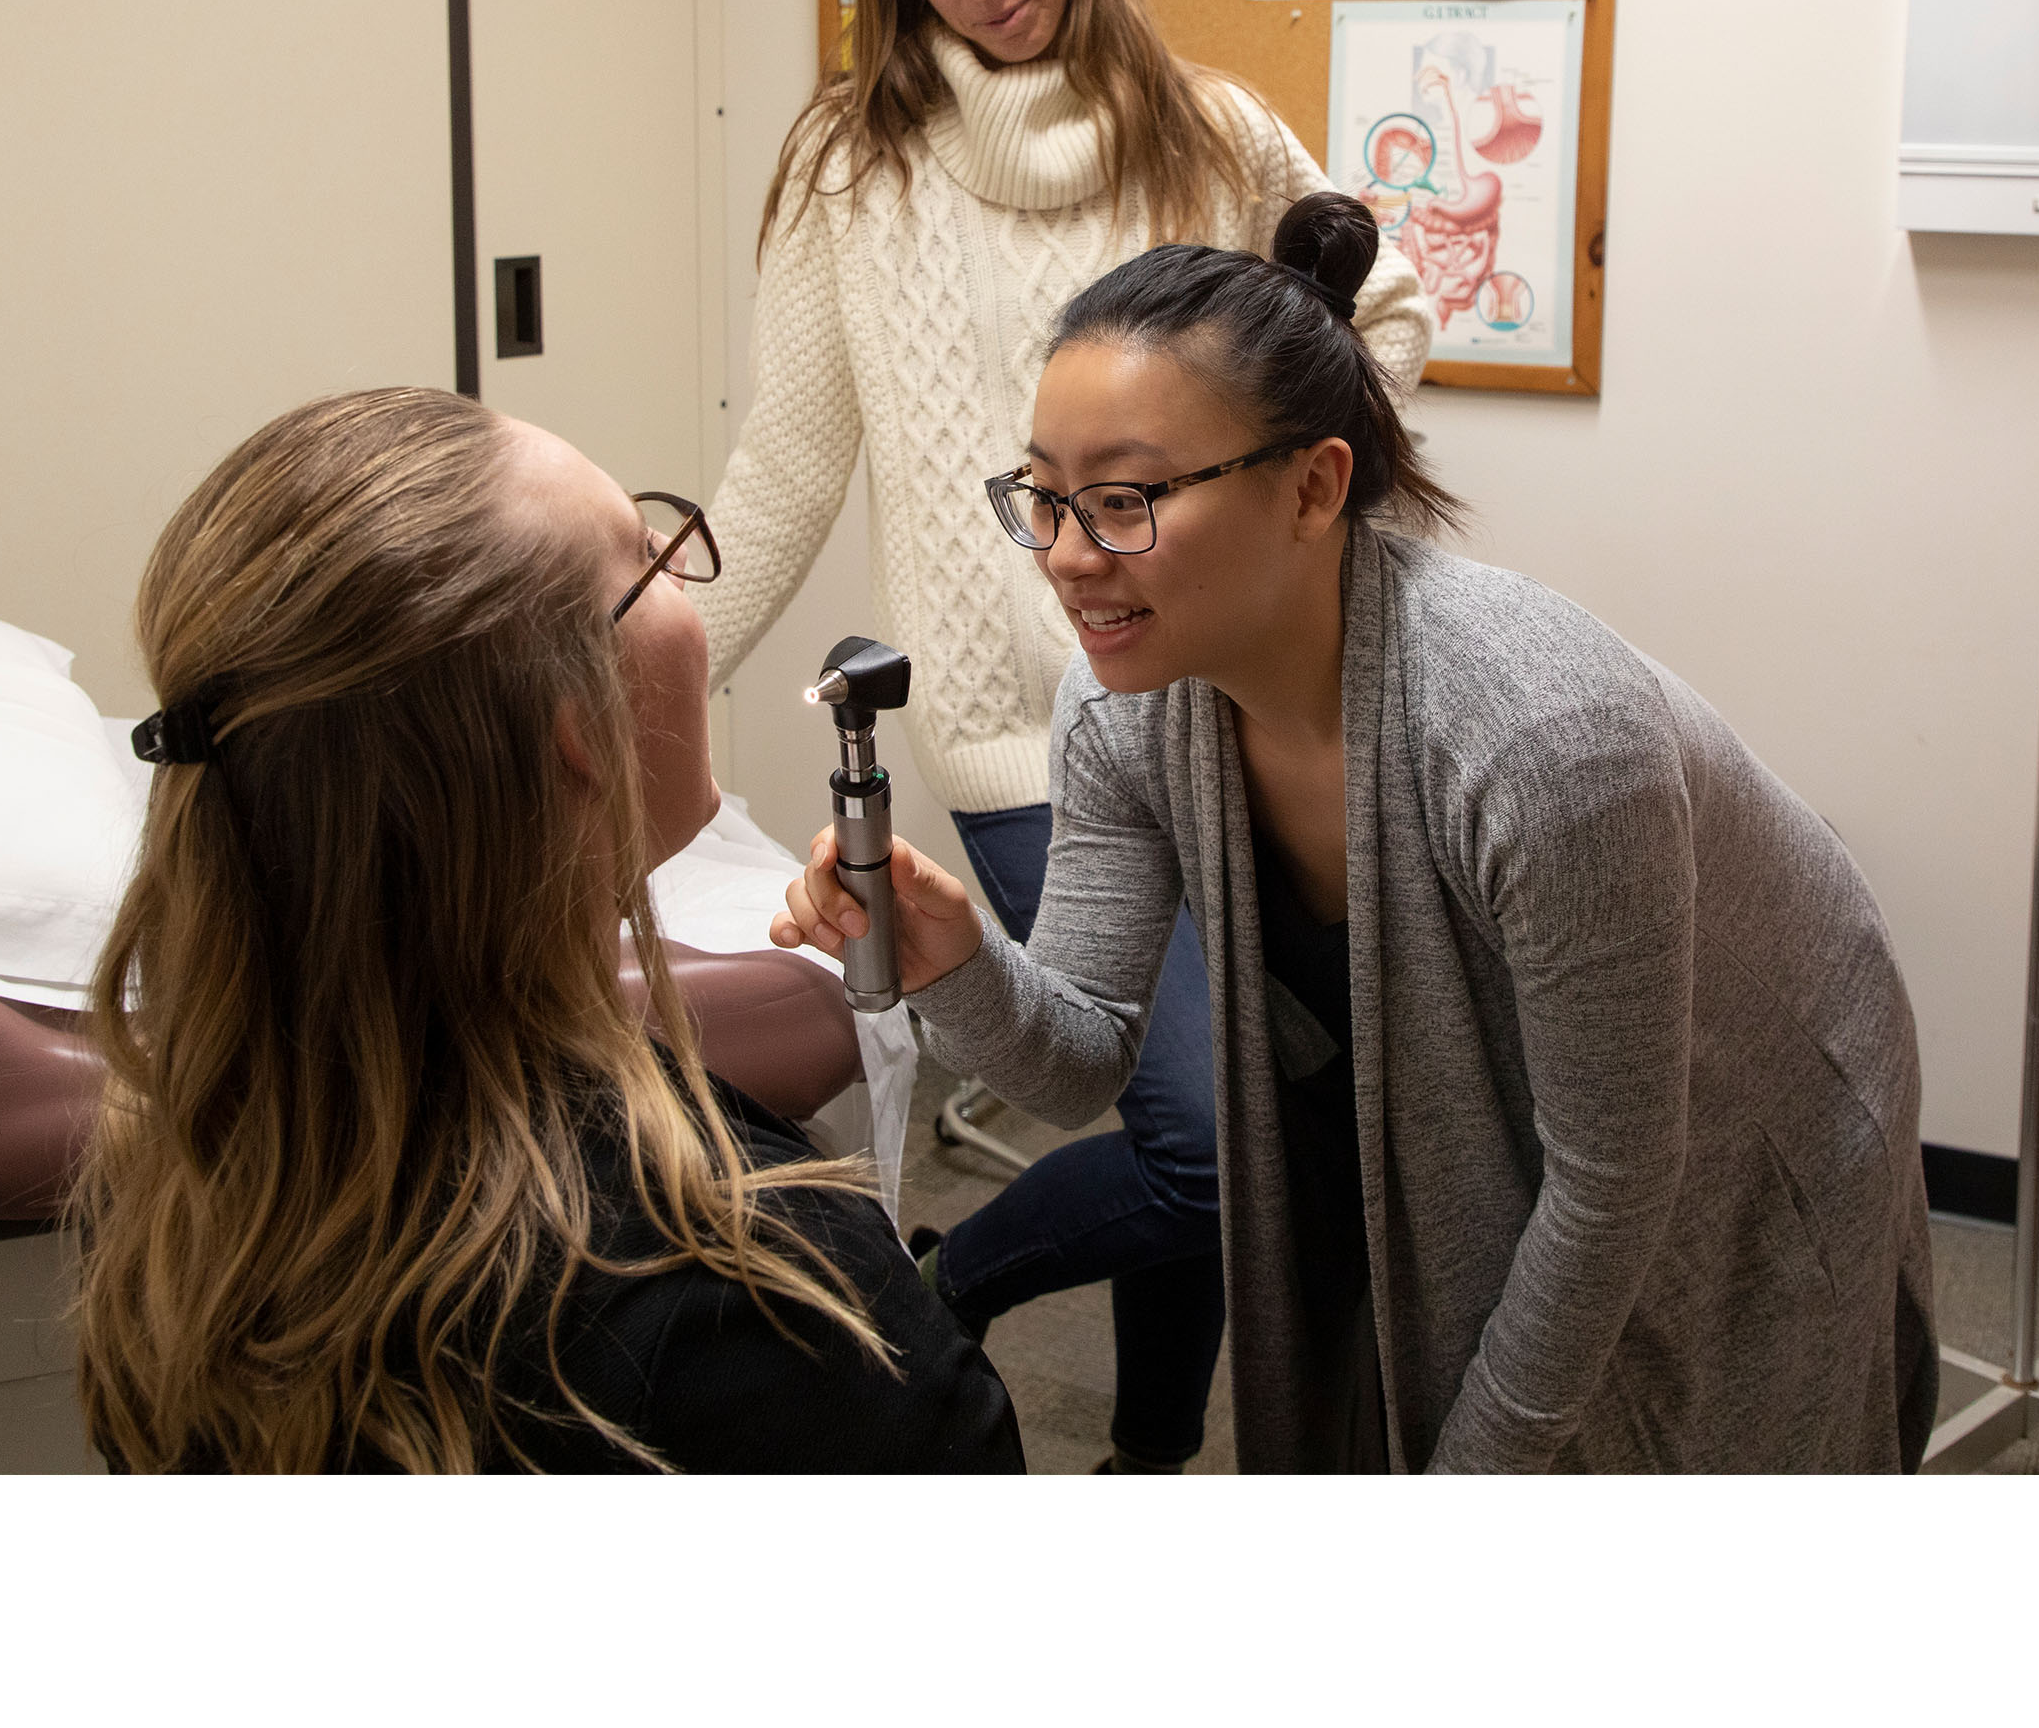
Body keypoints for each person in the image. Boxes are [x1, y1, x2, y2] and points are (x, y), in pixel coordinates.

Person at [775, 195, 1939, 1473]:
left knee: (1697, 1423)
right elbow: (1077, 1062)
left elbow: (1610, 1189)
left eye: (1123, 500)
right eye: (1043, 498)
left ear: (1314, 487)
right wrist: (956, 960)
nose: (1067, 557)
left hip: (1754, 1089)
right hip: (1596, 1132)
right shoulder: (1125, 711)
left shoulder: (1535, 734)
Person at [702, 0, 1432, 1471]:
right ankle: (930, 1294)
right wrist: (612, 683)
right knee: (1197, 1141)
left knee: (1242, 1131)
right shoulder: (849, 165)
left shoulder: (1212, 129)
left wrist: (1295, 523)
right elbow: (789, 466)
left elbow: (1377, 323)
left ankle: (1149, 1455)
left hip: (1226, 714)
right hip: (1023, 735)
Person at [72, 386, 1021, 1474]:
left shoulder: (185, 1186)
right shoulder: (774, 1315)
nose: (685, 573)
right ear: (580, 731)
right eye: (649, 556)